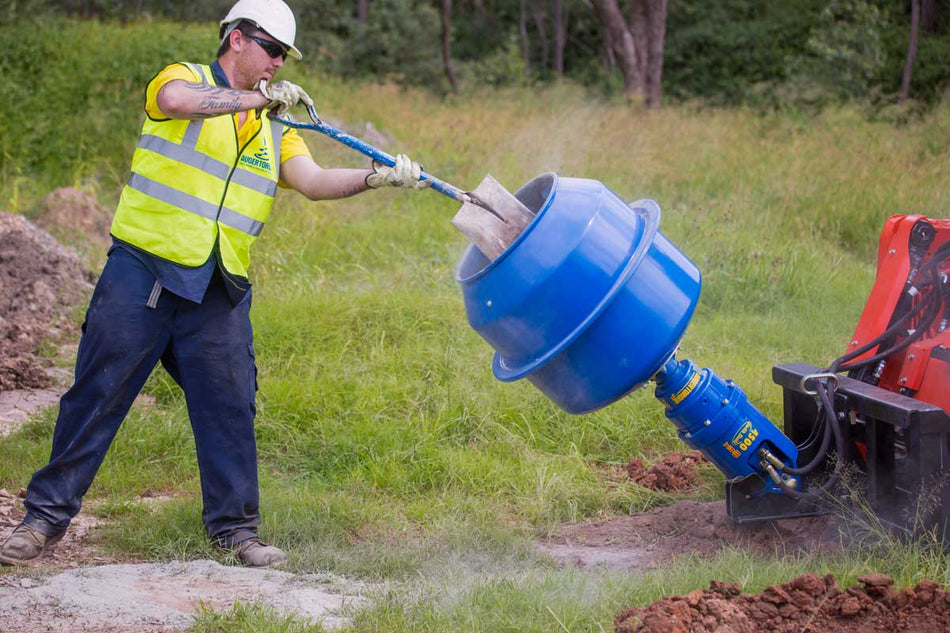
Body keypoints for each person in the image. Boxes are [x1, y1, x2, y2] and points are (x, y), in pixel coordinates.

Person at [0, 0, 429, 567]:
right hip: (144, 271)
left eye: (285, 55)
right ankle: (42, 522)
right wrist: (256, 99)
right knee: (98, 395)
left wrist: (379, 177)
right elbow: (176, 104)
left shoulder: (275, 124)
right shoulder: (182, 79)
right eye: (272, 50)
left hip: (218, 285)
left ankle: (236, 533)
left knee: (229, 407)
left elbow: (316, 181)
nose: (279, 63)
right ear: (237, 39)